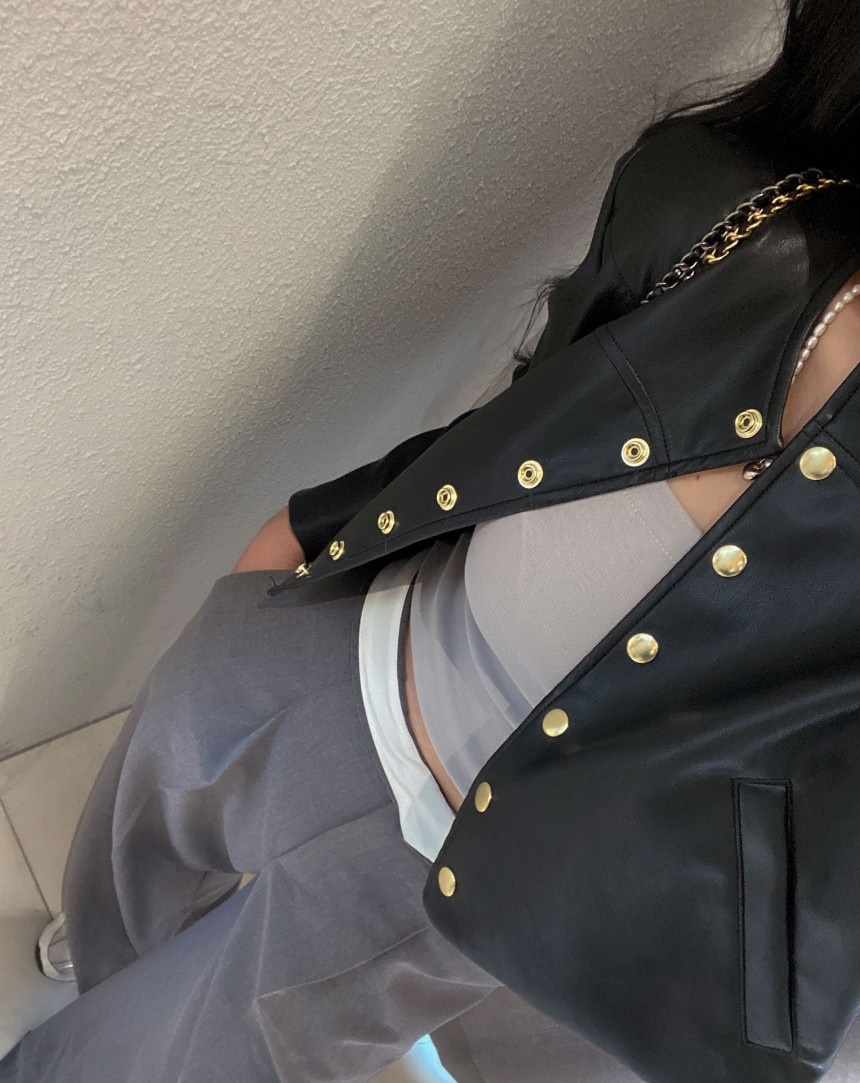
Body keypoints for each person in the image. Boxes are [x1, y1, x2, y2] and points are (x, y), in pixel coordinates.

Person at [4, 0, 860, 1079]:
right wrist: (309, 523)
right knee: (140, 842)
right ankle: (103, 963)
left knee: (181, 1055)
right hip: (343, 639)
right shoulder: (734, 202)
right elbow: (537, 412)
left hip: (475, 875)